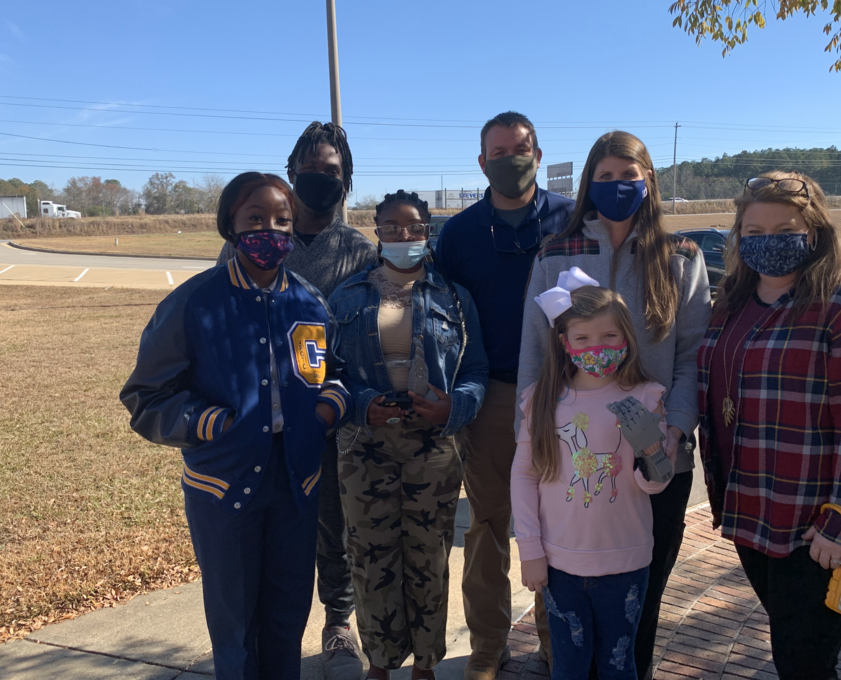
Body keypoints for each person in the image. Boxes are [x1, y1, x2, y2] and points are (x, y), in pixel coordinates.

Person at [120, 173, 351, 680]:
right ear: (230, 225)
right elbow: (145, 398)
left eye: (282, 221)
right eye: (255, 219)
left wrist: (323, 414)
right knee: (235, 624)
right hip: (222, 486)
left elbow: (334, 376)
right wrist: (213, 423)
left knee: (288, 616)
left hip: (297, 482)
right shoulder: (194, 303)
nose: (270, 230)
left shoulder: (310, 303)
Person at [697, 171, 841, 680]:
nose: (768, 243)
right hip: (754, 514)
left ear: (814, 232)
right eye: (754, 233)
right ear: (739, 237)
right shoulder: (732, 304)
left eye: (784, 229)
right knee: (797, 655)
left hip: (818, 528)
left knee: (804, 662)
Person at [516, 131, 710, 679]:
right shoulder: (556, 254)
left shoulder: (681, 257)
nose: (618, 187)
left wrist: (673, 432)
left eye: (630, 177)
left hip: (655, 454)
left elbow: (692, 356)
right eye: (605, 177)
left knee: (639, 603)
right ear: (587, 185)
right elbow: (535, 350)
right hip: (571, 456)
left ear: (649, 181)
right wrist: (527, 434)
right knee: (567, 599)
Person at [217, 122, 376, 678]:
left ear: (346, 179)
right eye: (309, 170)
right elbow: (225, 324)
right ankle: (264, 633)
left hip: (333, 416)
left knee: (335, 521)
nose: (319, 180)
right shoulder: (251, 245)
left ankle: (338, 625)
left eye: (331, 171)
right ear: (290, 175)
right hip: (266, 421)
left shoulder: (358, 250)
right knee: (269, 530)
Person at [435, 111, 575, 679]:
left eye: (520, 149)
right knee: (489, 526)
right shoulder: (460, 232)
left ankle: (554, 639)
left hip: (564, 395)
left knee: (561, 522)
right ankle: (489, 646)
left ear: (538, 156)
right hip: (492, 394)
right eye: (498, 151)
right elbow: (440, 315)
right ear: (481, 161)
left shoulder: (572, 220)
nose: (509, 159)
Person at [328, 191, 488, 680]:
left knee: (429, 558)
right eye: (392, 227)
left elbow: (476, 370)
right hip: (364, 447)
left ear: (427, 232)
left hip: (433, 447)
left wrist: (455, 407)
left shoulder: (455, 298)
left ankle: (424, 664)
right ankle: (379, 662)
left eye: (414, 227)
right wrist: (358, 405)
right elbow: (326, 373)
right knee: (370, 558)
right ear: (376, 231)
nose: (403, 236)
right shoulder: (345, 297)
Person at [513, 274, 672, 680]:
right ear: (564, 342)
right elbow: (524, 476)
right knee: (568, 667)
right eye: (582, 338)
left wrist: (651, 451)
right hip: (559, 562)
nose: (596, 347)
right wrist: (529, 549)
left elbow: (655, 483)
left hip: (626, 559)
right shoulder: (543, 400)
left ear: (627, 339)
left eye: (609, 335)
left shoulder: (645, 397)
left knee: (619, 665)